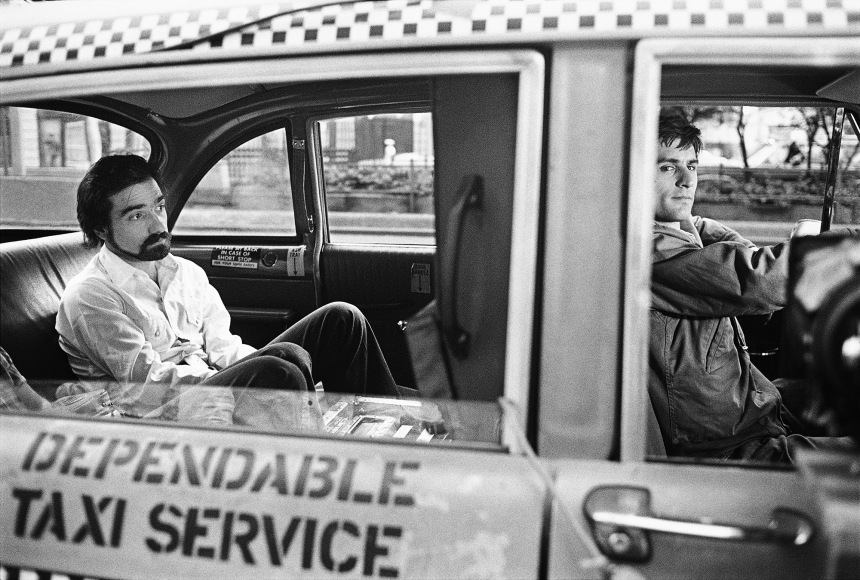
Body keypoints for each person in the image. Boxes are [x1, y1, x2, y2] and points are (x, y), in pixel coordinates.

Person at [55, 154, 401, 429]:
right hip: (161, 413)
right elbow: (148, 384)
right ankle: (321, 463)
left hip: (211, 386)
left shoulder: (185, 272)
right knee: (282, 367)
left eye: (159, 206)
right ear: (101, 229)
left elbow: (224, 347)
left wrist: (253, 367)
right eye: (136, 216)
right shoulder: (91, 296)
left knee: (341, 319)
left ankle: (394, 433)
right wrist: (253, 375)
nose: (158, 224)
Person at [648, 109, 853, 463]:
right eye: (668, 167)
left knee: (838, 389)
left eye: (692, 165)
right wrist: (847, 252)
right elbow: (756, 279)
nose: (687, 180)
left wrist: (686, 219)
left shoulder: (679, 230)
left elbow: (724, 240)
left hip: (743, 409)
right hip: (725, 445)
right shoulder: (653, 250)